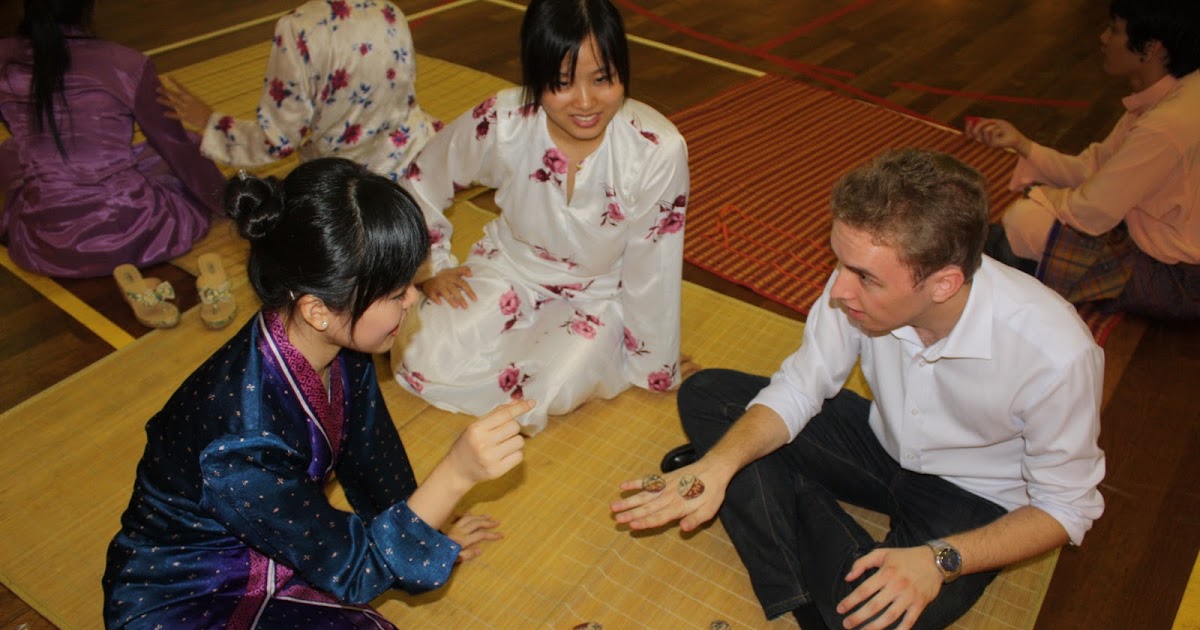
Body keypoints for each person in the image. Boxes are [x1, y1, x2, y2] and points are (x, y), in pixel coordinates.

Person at [611, 149, 1106, 630]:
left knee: (875, 617)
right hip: (881, 445)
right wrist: (718, 466)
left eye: (865, 277)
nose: (839, 290)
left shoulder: (1055, 354)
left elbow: (1066, 508)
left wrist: (939, 560)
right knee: (708, 394)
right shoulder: (857, 286)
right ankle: (770, 503)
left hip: (972, 498)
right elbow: (803, 385)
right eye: (840, 263)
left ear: (943, 284)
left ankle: (780, 500)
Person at [102, 158, 531, 628]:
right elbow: (359, 573)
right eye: (395, 292)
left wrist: (428, 520)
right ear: (317, 309)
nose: (412, 298)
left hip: (272, 553)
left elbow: (371, 455)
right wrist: (454, 475)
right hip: (188, 591)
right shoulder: (241, 439)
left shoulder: (332, 342)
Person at [391, 0, 690, 435]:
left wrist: (654, 366)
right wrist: (429, 267)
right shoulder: (505, 120)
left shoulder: (657, 148)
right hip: (509, 267)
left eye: (602, 79)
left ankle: (606, 353)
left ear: (622, 72)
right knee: (421, 351)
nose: (585, 102)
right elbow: (425, 176)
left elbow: (653, 270)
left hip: (597, 295)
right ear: (535, 78)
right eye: (562, 83)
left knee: (557, 387)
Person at [966, 0, 1200, 319]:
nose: (1104, 38)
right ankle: (976, 252)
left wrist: (1040, 198)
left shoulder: (1165, 124)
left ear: (1152, 48)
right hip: (1160, 246)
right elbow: (1094, 167)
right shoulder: (1176, 93)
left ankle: (976, 261)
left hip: (1178, 278)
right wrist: (1025, 145)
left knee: (1024, 222)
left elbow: (1092, 212)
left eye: (1115, 30)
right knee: (1015, 228)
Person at [0, 0, 223, 279]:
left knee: (9, 152)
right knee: (189, 142)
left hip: (45, 238)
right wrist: (223, 199)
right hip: (129, 227)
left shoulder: (5, 58)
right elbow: (175, 146)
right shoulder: (125, 63)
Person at [157, 0, 437, 182]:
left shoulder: (298, 28)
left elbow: (279, 139)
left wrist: (210, 123)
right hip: (413, 157)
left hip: (349, 181)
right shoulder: (390, 11)